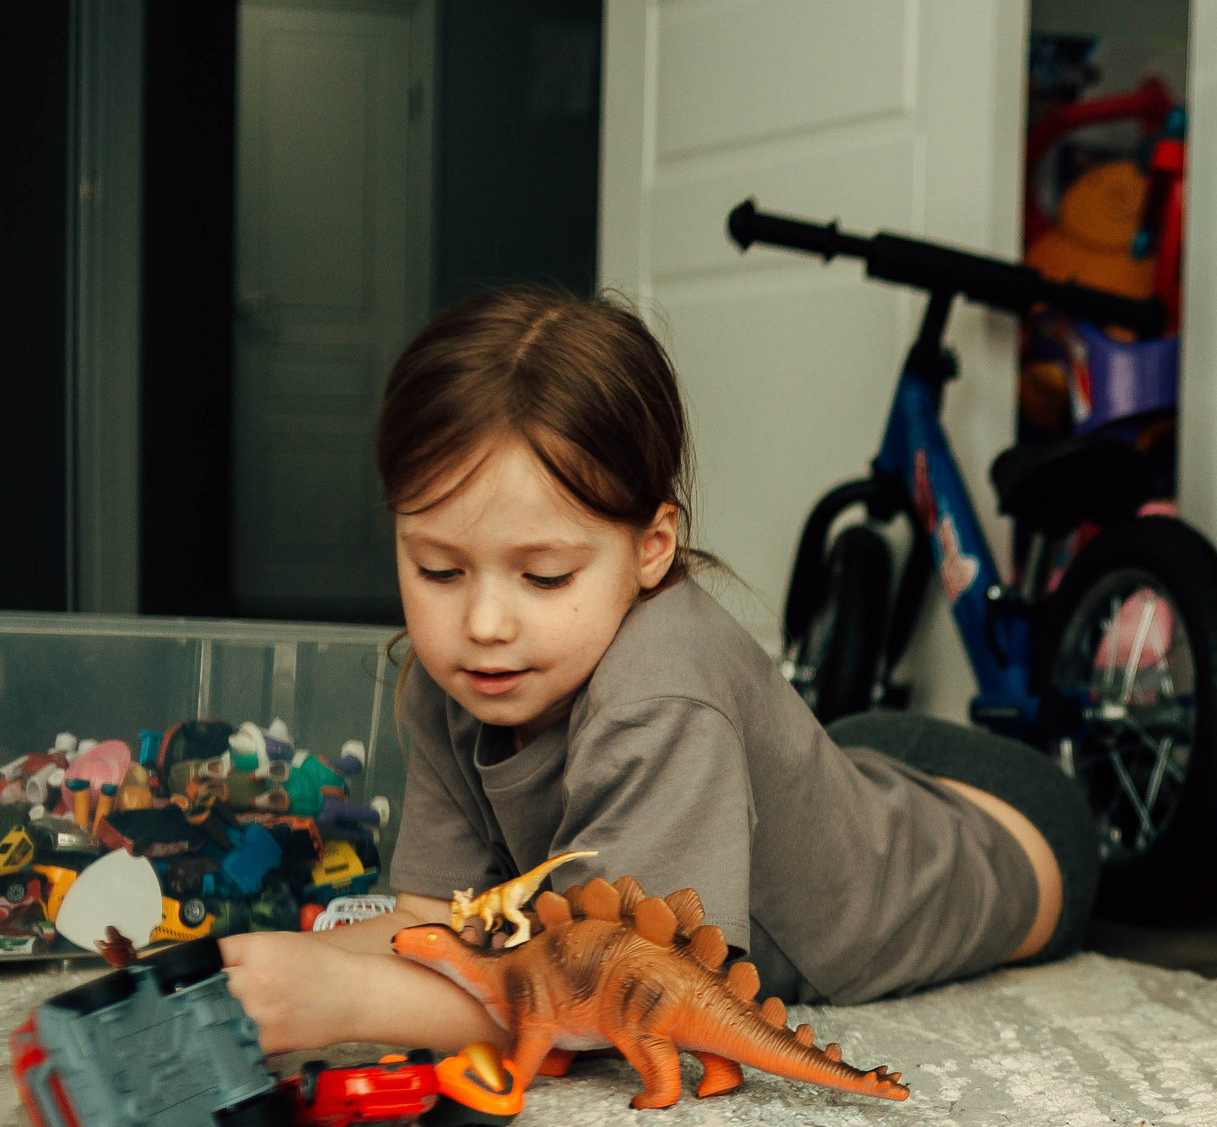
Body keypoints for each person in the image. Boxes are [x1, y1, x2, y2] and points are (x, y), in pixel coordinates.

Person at [220, 287, 1098, 1055]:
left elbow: (621, 999)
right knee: (817, 777)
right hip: (862, 768)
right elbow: (433, 925)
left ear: (651, 548)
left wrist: (350, 1000)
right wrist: (248, 971)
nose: (483, 625)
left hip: (1016, 835)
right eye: (439, 570)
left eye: (545, 576)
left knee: (828, 802)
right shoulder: (454, 680)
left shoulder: (659, 702)